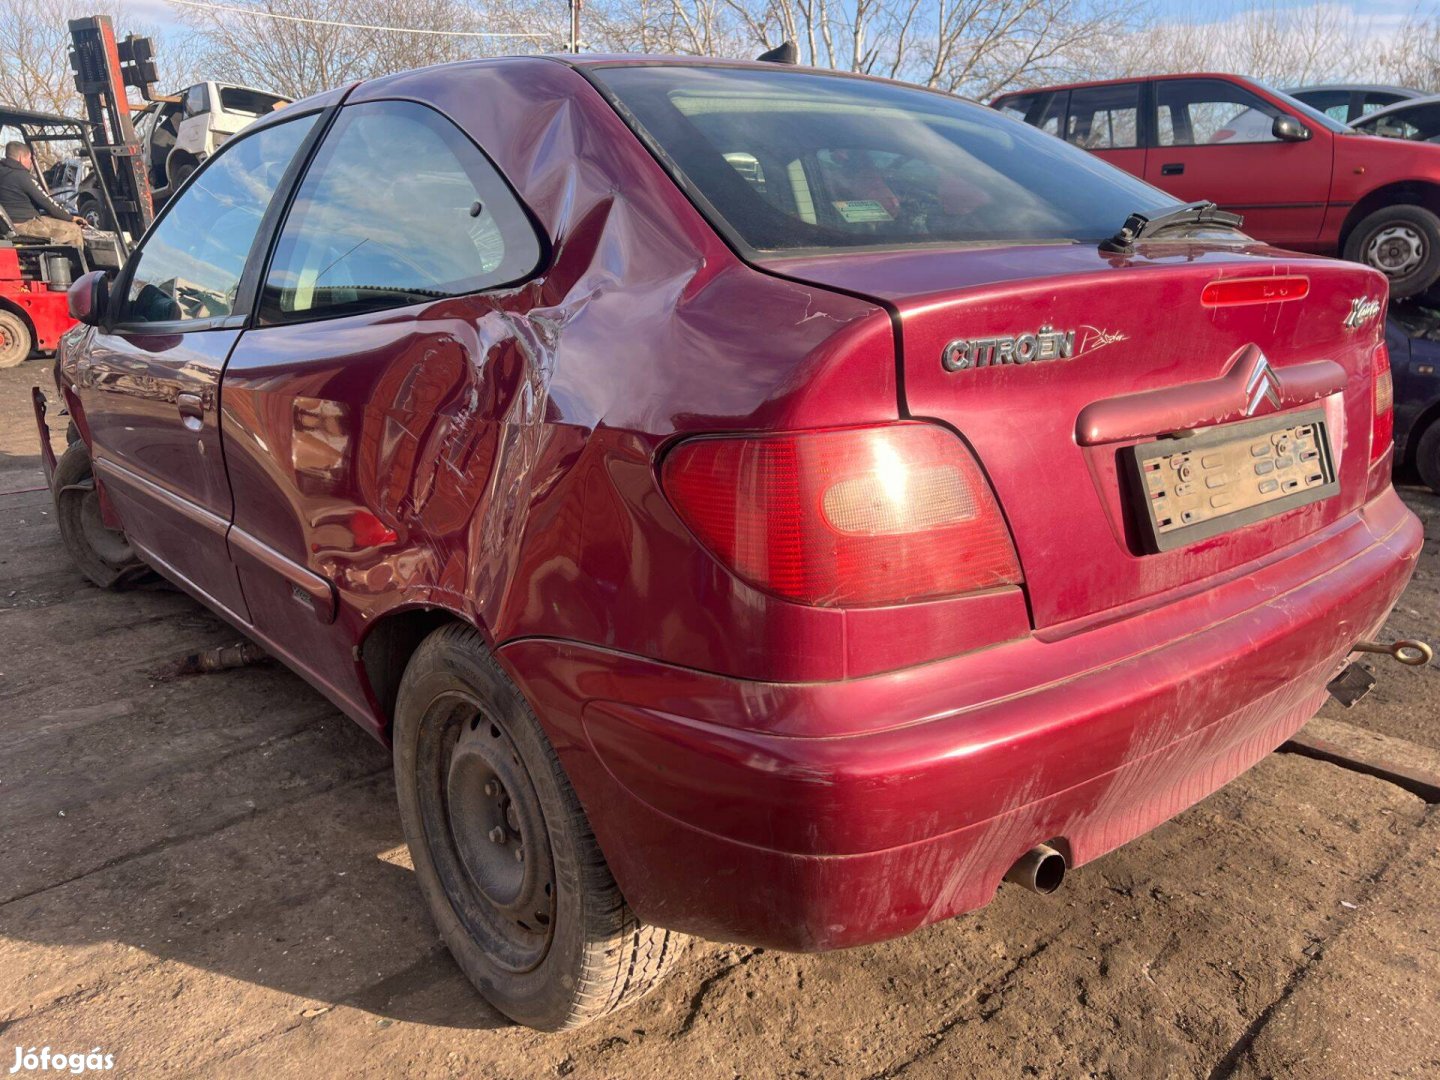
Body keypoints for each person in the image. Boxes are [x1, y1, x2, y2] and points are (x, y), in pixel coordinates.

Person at [0, 141, 88, 248]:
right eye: (29, 159)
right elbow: (47, 203)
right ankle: (77, 264)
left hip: (6, 226)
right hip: (24, 225)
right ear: (21, 158)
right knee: (74, 230)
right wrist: (71, 218)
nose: (30, 163)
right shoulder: (22, 176)